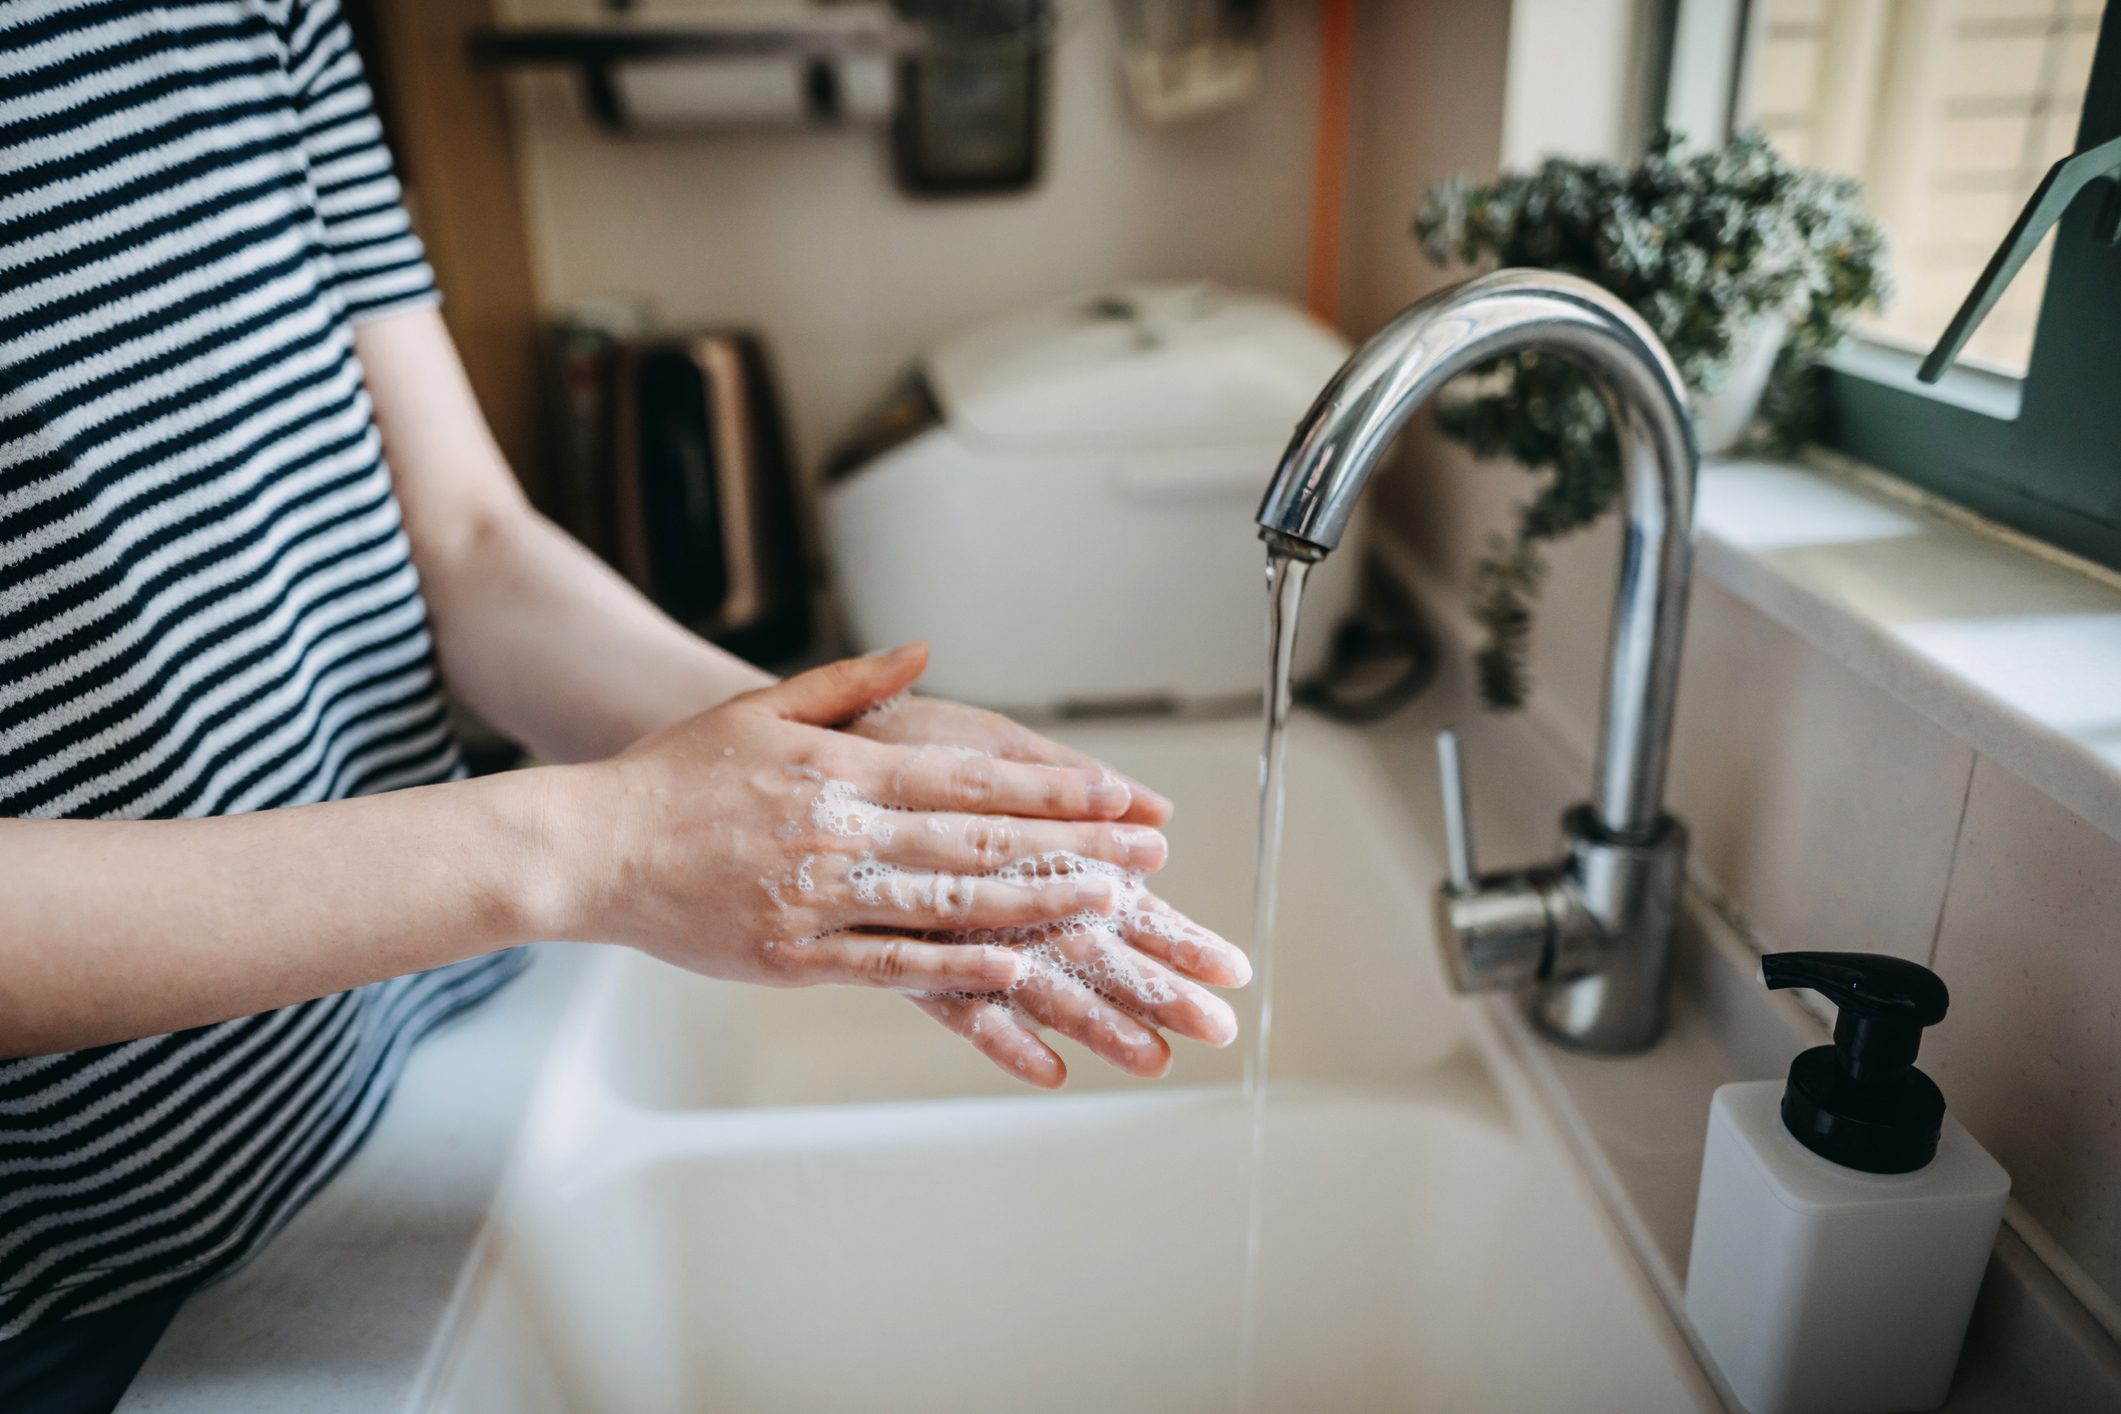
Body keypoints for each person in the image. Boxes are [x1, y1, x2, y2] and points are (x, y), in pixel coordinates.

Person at [0, 3, 1248, 1407]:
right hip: (63, 1290)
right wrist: (602, 843)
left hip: (396, 1087)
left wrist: (820, 763)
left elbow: (465, 543)